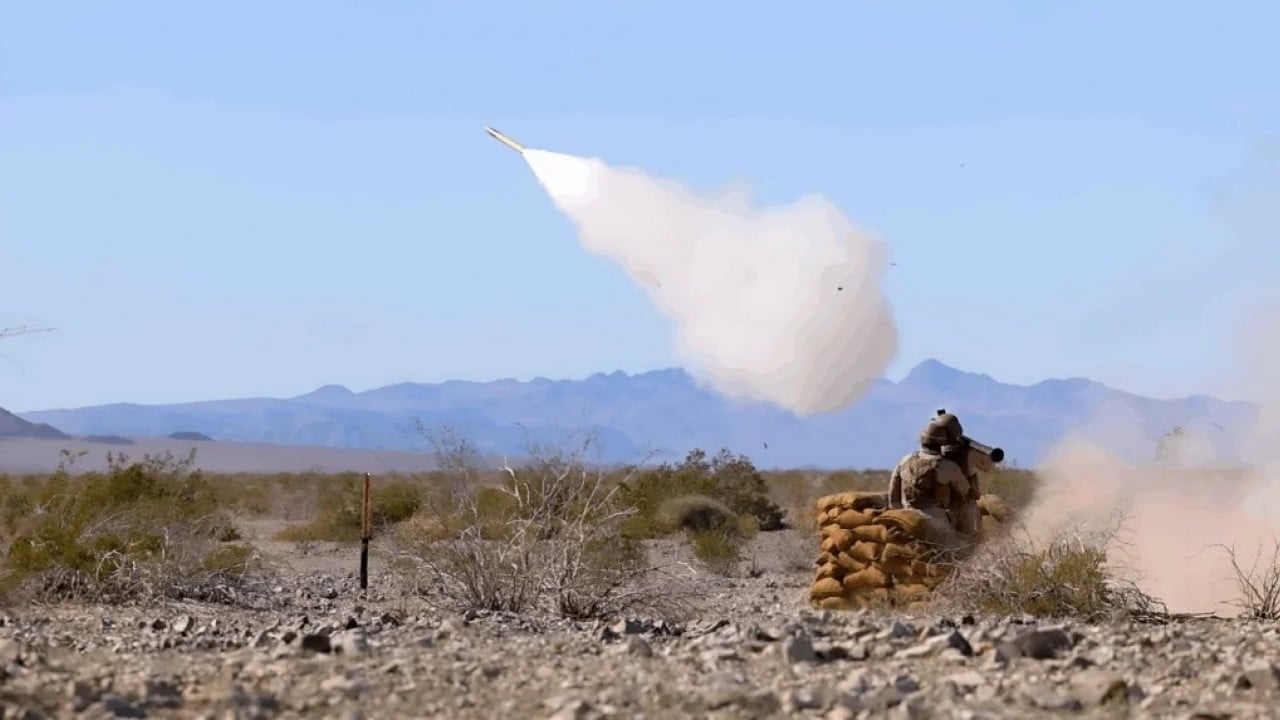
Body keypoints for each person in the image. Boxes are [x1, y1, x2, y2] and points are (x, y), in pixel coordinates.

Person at [886, 412, 977, 540]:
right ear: (943, 442)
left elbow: (892, 494)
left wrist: (899, 515)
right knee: (966, 548)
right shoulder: (947, 466)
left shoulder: (904, 460)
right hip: (935, 522)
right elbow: (965, 491)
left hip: (906, 517)